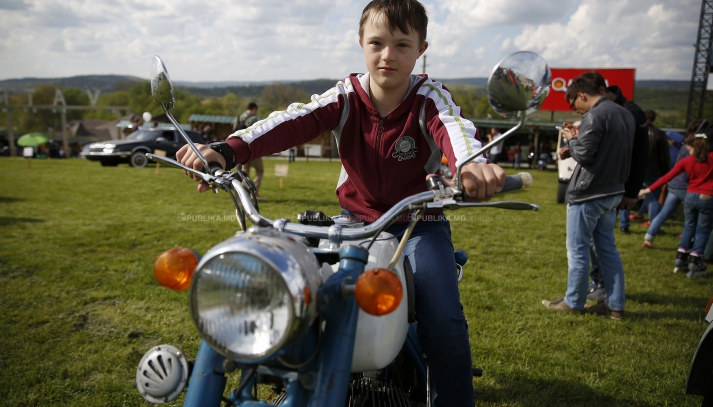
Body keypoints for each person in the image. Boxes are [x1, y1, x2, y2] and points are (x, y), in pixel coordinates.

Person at [177, 1, 506, 405]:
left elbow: (456, 129)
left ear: (421, 49)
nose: (388, 55)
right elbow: (293, 119)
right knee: (293, 292)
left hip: (418, 223)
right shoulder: (345, 96)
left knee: (442, 314)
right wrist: (230, 149)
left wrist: (472, 165)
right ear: (361, 44)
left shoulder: (428, 97)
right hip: (353, 225)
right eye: (377, 42)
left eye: (402, 45)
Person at [543, 75, 633, 320]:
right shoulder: (625, 113)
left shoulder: (594, 114)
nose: (575, 110)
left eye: (574, 104)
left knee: (578, 249)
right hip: (613, 191)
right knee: (607, 249)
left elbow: (584, 153)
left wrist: (573, 141)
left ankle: (573, 302)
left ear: (582, 95)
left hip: (588, 193)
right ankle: (615, 305)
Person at [581, 74, 648, 301]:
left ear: (601, 90)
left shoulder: (630, 112)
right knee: (598, 242)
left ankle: (603, 287)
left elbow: (639, 154)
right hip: (605, 187)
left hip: (610, 189)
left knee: (600, 242)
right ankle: (604, 288)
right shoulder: (612, 110)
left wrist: (632, 191)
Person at [640, 128, 713, 278]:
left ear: (691, 147)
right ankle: (696, 260)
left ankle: (680, 258)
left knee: (688, 227)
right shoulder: (711, 158)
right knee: (702, 230)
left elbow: (667, 177)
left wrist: (647, 190)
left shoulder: (687, 161)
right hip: (707, 197)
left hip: (690, 196)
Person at [636, 110, 670, 227]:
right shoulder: (659, 133)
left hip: (636, 169)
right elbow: (664, 156)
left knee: (628, 195)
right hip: (653, 170)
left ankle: (623, 225)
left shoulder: (636, 131)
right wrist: (665, 173)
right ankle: (653, 224)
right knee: (654, 198)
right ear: (654, 119)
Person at [236, 103, 266, 200]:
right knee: (260, 170)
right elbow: (257, 134)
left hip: (241, 150)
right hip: (252, 150)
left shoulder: (238, 118)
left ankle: (244, 194)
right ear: (254, 109)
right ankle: (254, 192)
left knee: (245, 172)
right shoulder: (253, 119)